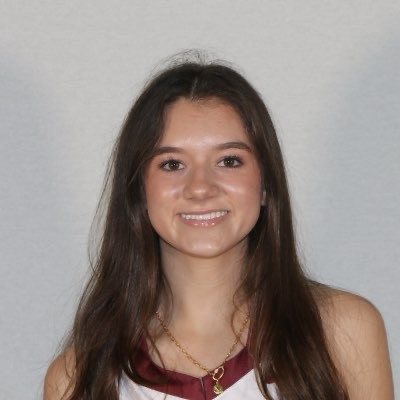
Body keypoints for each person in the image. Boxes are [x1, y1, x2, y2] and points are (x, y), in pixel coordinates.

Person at [43, 54, 394, 400]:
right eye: (172, 164)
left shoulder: (343, 330)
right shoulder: (78, 378)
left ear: (266, 183)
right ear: (138, 190)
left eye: (229, 161)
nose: (200, 188)